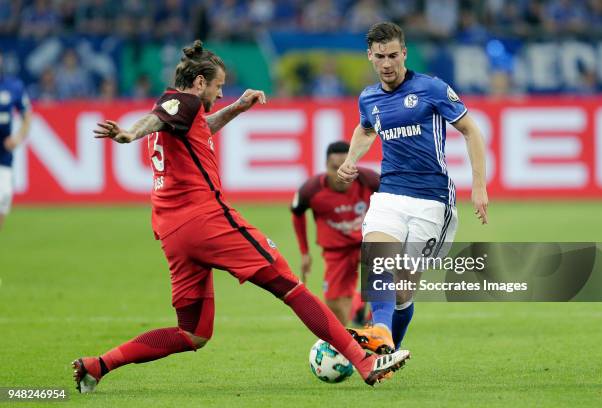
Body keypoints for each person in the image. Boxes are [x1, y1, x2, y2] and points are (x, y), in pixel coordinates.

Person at [73, 40, 410, 393]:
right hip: (206, 221)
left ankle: (99, 365)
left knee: (193, 333)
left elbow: (199, 127)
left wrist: (237, 107)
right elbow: (156, 117)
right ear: (200, 83)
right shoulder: (180, 102)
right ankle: (364, 361)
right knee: (290, 285)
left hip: (171, 230)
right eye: (218, 86)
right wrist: (129, 133)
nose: (220, 94)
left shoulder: (187, 116)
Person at [337, 22, 488, 355]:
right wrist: (351, 159)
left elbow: (471, 130)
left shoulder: (431, 89)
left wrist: (479, 185)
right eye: (380, 57)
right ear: (370, 57)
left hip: (432, 200)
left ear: (404, 53)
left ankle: (390, 349)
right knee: (377, 260)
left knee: (403, 291)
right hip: (390, 192)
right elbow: (365, 130)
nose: (387, 64)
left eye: (393, 55)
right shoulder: (369, 97)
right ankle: (381, 334)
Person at [291, 141, 378, 325]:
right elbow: (297, 214)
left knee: (387, 274)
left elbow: (394, 201)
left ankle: (377, 321)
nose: (341, 174)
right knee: (335, 306)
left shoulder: (370, 180)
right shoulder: (311, 190)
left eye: (346, 167)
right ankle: (357, 310)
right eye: (335, 168)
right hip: (336, 250)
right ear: (326, 167)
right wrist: (305, 253)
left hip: (366, 243)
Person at [0, 51, 32, 231]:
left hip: (3, 156)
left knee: (3, 200)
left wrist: (18, 137)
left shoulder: (14, 86)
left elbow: (27, 115)